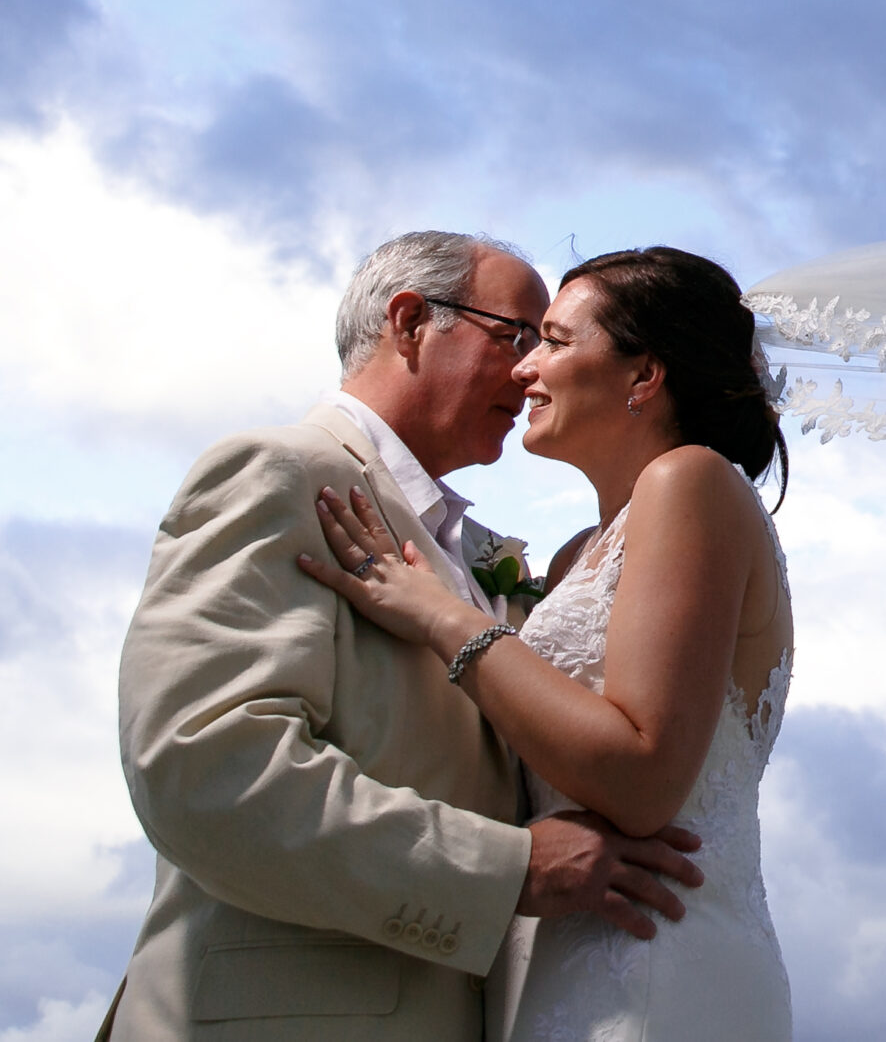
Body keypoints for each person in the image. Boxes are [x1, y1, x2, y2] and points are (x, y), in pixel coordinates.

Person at [104, 231, 706, 1042]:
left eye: (546, 343)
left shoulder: (491, 555)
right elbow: (209, 766)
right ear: (412, 320)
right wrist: (508, 867)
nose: (529, 368)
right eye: (516, 335)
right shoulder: (280, 472)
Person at [300, 246, 795, 1041]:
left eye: (556, 342)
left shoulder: (690, 481)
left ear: (644, 376)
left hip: (650, 963)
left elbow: (642, 779)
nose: (524, 367)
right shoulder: (574, 557)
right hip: (555, 962)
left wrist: (443, 616)